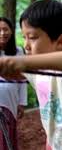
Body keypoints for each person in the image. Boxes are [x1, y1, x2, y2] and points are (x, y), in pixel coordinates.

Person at [0, 0, 62, 149]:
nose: (26, 45)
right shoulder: (36, 72)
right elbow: (13, 74)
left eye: (32, 37)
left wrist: (22, 62)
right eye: (24, 37)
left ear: (60, 41)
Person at [0, 17, 27, 150]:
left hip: (10, 102)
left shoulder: (18, 51)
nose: (2, 33)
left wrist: (21, 103)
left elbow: (23, 80)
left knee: (7, 138)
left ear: (11, 31)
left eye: (5, 29)